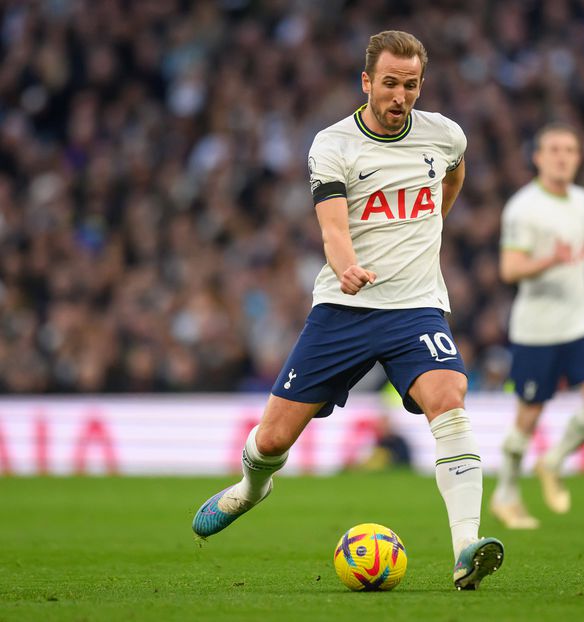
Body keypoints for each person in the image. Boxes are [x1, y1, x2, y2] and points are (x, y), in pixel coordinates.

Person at [192, 30, 503, 589]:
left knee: (449, 399)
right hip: (345, 307)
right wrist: (346, 265)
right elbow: (332, 226)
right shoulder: (333, 144)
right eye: (389, 84)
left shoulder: (445, 135)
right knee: (271, 440)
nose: (399, 96)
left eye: (410, 86)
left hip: (416, 308)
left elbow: (453, 176)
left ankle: (466, 549)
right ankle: (250, 489)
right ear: (366, 82)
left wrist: (431, 230)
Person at [491, 123, 584, 529]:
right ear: (538, 157)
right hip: (537, 328)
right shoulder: (522, 208)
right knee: (528, 416)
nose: (563, 157)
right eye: (555, 150)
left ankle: (554, 461)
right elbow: (509, 269)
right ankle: (505, 495)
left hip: (580, 321)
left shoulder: (581, 199)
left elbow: (573, 250)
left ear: (578, 158)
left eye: (570, 150)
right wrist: (551, 260)